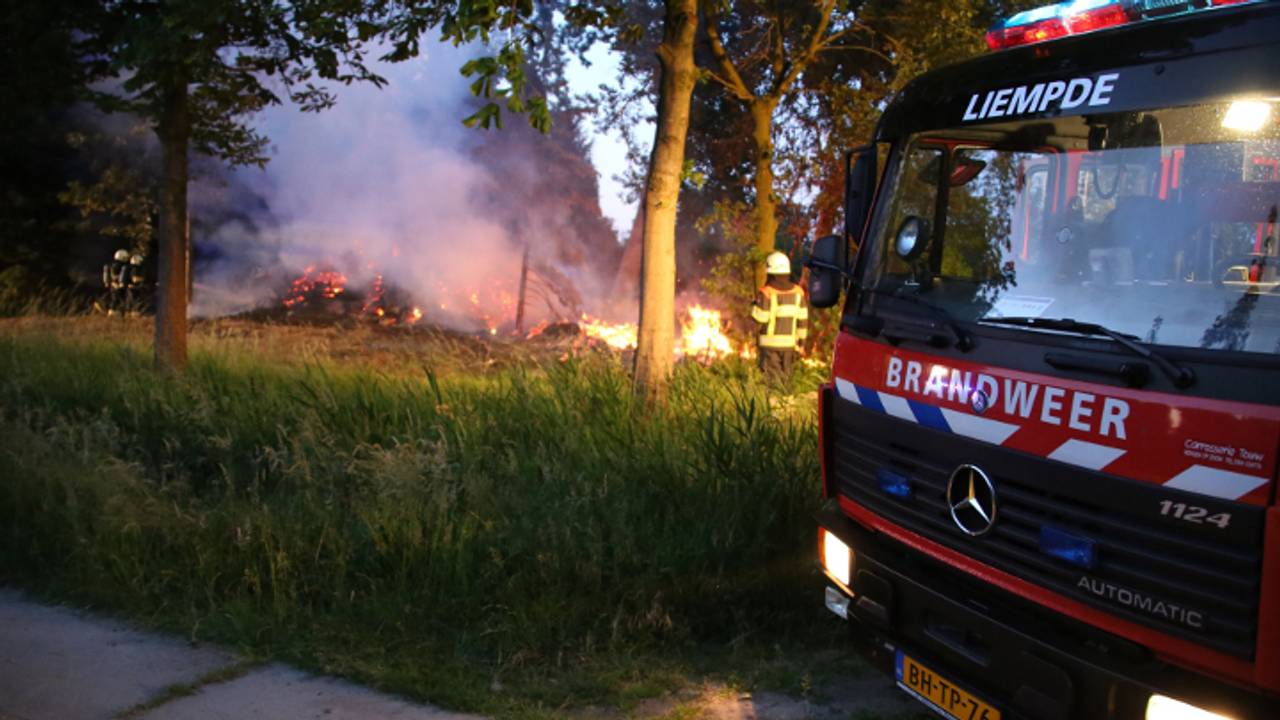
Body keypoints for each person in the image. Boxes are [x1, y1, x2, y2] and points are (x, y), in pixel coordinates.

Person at [751, 251, 808, 382]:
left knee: (772, 382)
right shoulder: (798, 292)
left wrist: (754, 306)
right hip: (789, 346)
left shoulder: (766, 292)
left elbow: (761, 318)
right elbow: (803, 321)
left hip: (770, 347)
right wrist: (802, 343)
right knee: (785, 382)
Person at [101, 249, 130, 315]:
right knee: (117, 298)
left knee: (114, 297)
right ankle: (113, 311)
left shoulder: (112, 264)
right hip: (117, 284)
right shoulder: (119, 265)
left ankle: (112, 310)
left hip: (113, 284)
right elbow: (116, 276)